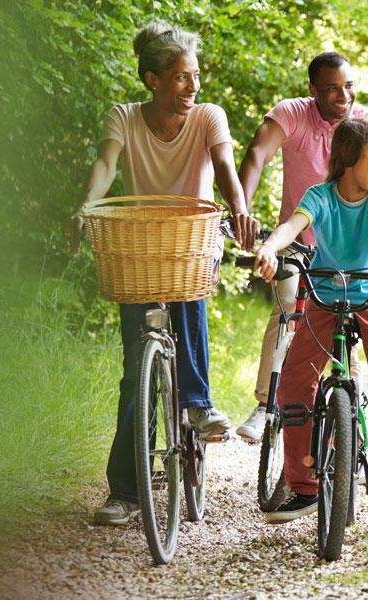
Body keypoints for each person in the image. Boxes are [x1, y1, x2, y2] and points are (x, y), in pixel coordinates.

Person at [81, 22, 256, 526]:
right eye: (181, 78)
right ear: (152, 79)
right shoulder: (125, 118)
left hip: (189, 241)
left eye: (195, 76)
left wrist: (238, 208)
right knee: (135, 374)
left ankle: (199, 404)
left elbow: (224, 166)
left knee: (188, 297)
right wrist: (88, 204)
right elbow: (106, 163)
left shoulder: (207, 118)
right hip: (139, 245)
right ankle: (125, 493)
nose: (192, 87)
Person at [249, 119, 368, 529]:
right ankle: (303, 485)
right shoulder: (320, 196)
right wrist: (268, 247)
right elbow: (293, 227)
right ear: (349, 156)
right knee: (294, 384)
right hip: (323, 299)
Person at [235, 52, 368, 445]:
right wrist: (242, 210)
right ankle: (267, 404)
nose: (344, 97)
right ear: (312, 90)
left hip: (353, 251)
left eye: (349, 87)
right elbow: (257, 154)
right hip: (299, 241)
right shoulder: (292, 114)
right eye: (332, 89)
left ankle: (347, 409)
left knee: (349, 321)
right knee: (289, 309)